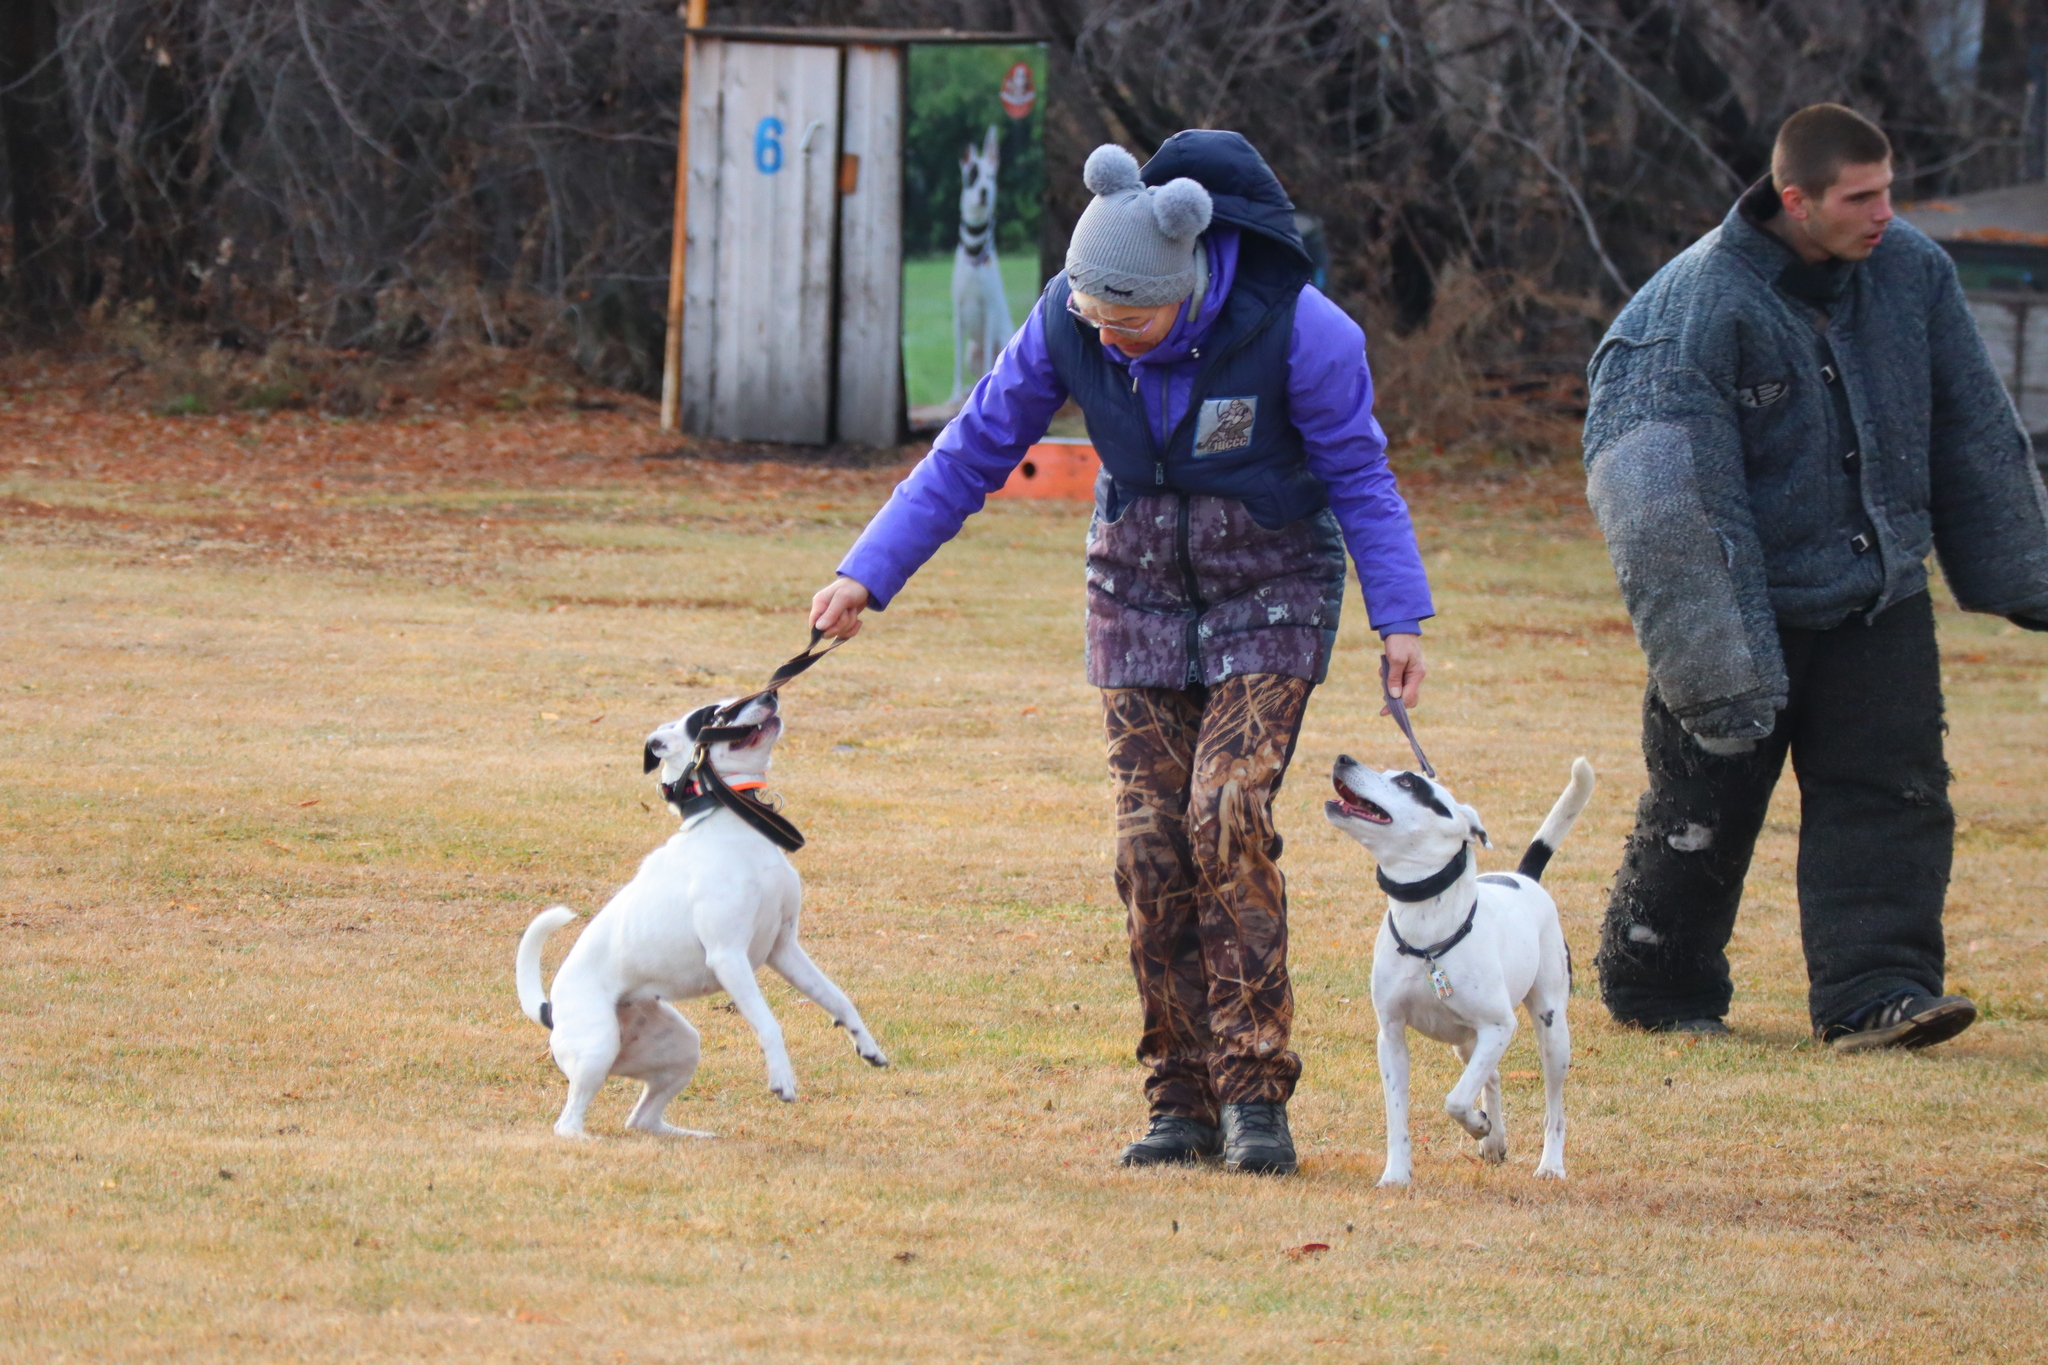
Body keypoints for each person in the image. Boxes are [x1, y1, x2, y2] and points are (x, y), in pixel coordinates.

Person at [809, 132, 1434, 1172]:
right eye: (1092, 317)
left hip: (1268, 587)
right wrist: (865, 574)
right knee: (1148, 844)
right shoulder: (1072, 314)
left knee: (1226, 813)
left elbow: (1360, 477)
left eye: (1128, 320)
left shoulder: (1300, 332)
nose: (1107, 336)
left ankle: (1253, 1095)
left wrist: (1398, 616)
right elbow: (972, 447)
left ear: (1185, 286)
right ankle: (1178, 1097)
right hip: (1134, 589)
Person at [1582, 103, 2048, 1052]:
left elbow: (1969, 427)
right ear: (1797, 200)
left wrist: (2026, 572)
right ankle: (1658, 987)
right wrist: (1717, 661)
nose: (1887, 211)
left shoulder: (1915, 272)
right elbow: (1660, 497)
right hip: (1735, 608)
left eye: (1889, 190)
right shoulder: (1692, 309)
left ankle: (1878, 992)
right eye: (1862, 196)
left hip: (1880, 597)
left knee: (1893, 794)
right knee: (1704, 810)